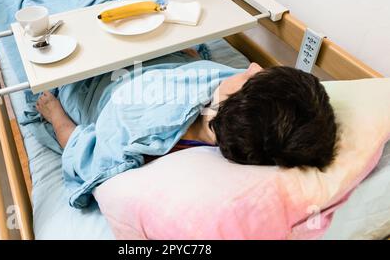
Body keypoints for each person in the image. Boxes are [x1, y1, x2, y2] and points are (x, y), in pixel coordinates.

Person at [37, 58, 337, 208]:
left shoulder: (142, 136)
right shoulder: (226, 102)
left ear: (228, 109)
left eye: (251, 78)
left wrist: (55, 115)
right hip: (157, 63)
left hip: (105, 88)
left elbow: (85, 151)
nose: (253, 65)